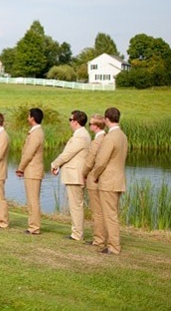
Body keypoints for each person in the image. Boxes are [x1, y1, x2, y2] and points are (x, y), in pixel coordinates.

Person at [88, 107, 128, 255]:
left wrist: (95, 175)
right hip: (118, 180)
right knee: (113, 214)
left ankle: (113, 246)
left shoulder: (110, 138)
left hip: (108, 181)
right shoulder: (123, 136)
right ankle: (112, 243)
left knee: (110, 215)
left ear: (106, 119)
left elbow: (101, 161)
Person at [51, 110, 91, 241]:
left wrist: (54, 164)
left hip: (75, 175)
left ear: (76, 122)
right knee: (75, 205)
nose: (69, 122)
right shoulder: (80, 135)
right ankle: (76, 232)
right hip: (73, 173)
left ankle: (77, 234)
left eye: (70, 119)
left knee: (76, 205)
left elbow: (67, 154)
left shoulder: (80, 136)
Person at [16, 107, 45, 235]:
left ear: (32, 118)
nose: (27, 118)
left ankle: (34, 227)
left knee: (33, 200)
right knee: (32, 199)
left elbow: (28, 153)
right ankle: (33, 225)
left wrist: (20, 168)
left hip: (33, 171)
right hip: (32, 170)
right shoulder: (36, 132)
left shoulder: (36, 133)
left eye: (28, 115)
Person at [82, 114, 107, 246]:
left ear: (96, 126)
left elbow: (90, 161)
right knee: (102, 210)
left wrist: (83, 174)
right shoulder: (106, 138)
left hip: (94, 179)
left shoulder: (98, 141)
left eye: (90, 124)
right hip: (104, 179)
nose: (89, 126)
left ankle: (99, 239)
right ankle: (102, 237)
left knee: (97, 211)